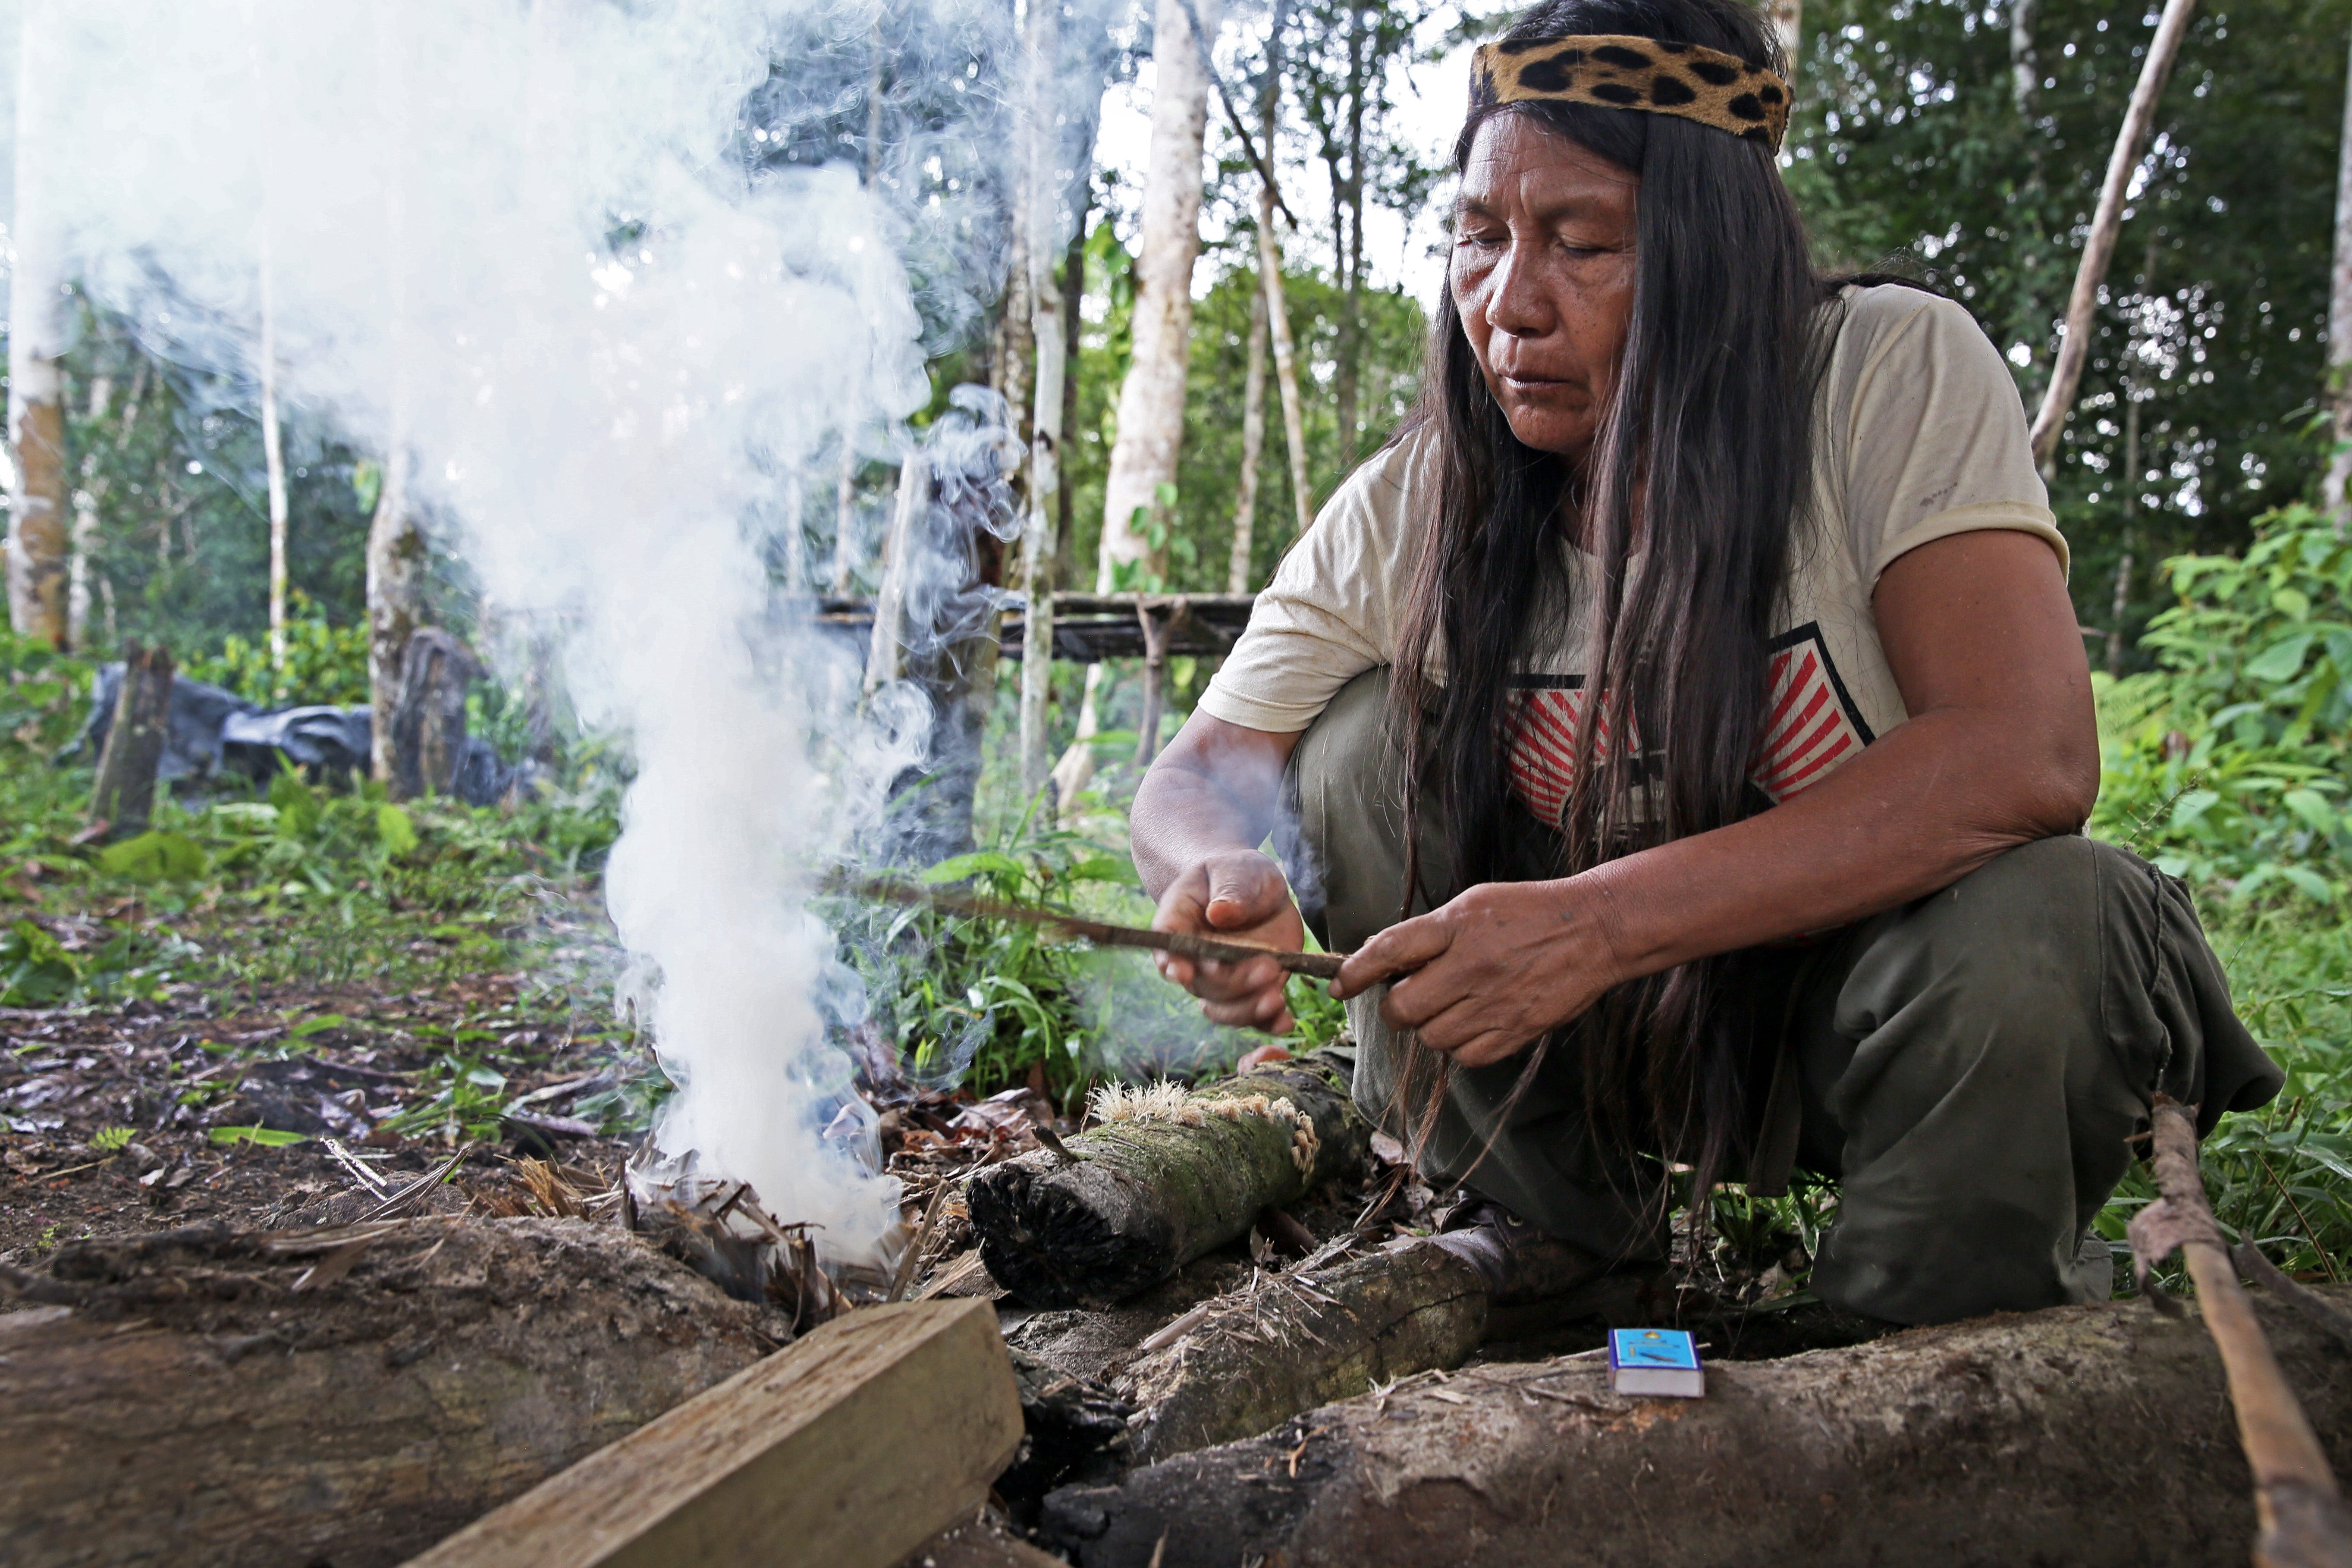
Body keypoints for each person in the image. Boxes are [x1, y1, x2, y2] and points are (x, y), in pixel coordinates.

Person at [1128, 0, 2281, 1327]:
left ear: (1712, 253)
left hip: (1873, 1021)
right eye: (1482, 236)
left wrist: (1598, 920)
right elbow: (1202, 772)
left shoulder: (1882, 372)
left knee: (2052, 915)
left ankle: (1920, 1340)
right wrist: (1217, 872)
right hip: (1619, 1039)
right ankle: (1548, 1234)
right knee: (1350, 746)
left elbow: (2027, 750)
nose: (1511, 303)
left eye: (1586, 243)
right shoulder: (1426, 498)